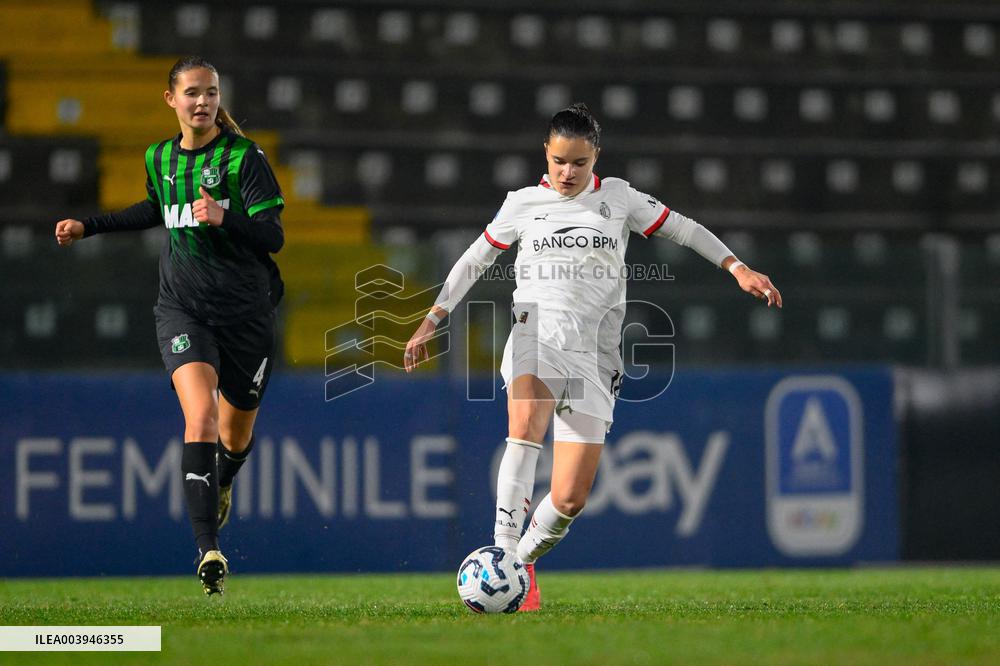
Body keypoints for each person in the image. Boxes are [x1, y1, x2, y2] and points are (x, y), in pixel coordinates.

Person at [404, 103, 781, 611]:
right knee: (525, 423)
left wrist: (736, 266)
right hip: (534, 330)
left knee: (568, 500)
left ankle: (524, 562)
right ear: (546, 152)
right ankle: (503, 555)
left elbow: (685, 228)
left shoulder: (620, 198)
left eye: (578, 163)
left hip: (595, 354)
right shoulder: (523, 202)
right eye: (559, 160)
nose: (567, 172)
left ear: (594, 157)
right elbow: (477, 257)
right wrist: (434, 316)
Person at [54, 56, 285, 596]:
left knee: (235, 435)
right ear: (171, 100)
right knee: (199, 417)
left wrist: (226, 217)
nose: (202, 101)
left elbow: (273, 237)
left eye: (210, 93)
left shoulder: (244, 159)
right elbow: (156, 209)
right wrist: (89, 226)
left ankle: (223, 480)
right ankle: (209, 549)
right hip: (183, 310)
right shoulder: (159, 157)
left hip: (246, 316)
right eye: (192, 93)